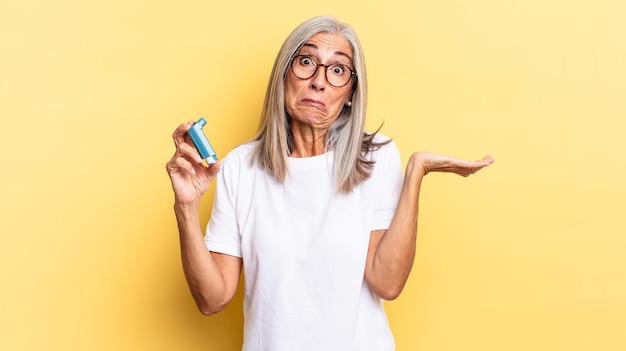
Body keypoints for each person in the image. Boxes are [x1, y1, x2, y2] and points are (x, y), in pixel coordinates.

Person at [166, 15, 493, 351]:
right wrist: (187, 208)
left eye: (337, 70)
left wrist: (416, 172)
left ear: (351, 92)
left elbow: (388, 283)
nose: (319, 81)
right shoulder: (240, 166)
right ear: (283, 76)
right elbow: (212, 299)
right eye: (306, 62)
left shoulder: (376, 158)